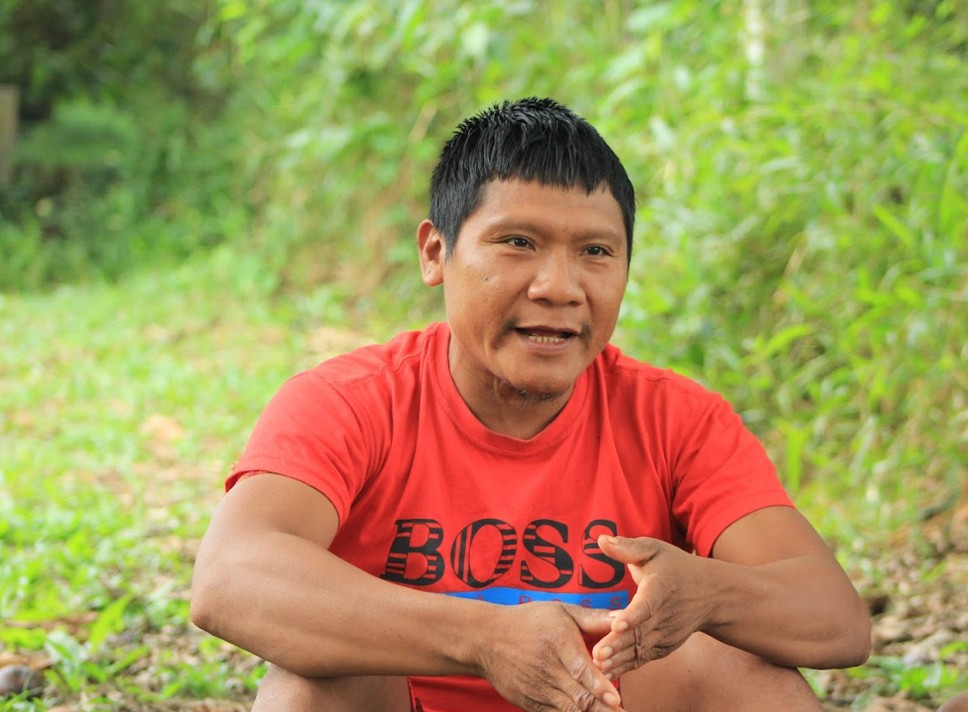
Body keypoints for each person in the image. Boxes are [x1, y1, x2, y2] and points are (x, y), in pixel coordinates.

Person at [191, 97, 871, 711]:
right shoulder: (350, 402)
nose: (559, 286)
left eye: (596, 252)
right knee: (312, 686)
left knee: (743, 671)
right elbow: (229, 577)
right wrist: (483, 637)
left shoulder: (676, 419)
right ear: (436, 252)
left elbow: (834, 618)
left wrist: (708, 594)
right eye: (518, 242)